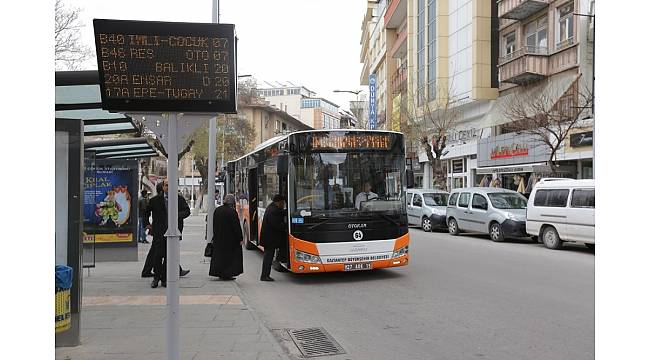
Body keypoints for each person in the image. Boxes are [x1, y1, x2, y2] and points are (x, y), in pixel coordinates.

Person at [143, 180, 191, 288]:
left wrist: (176, 215)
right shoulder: (155, 200)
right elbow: (146, 212)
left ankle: (164, 278)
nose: (168, 187)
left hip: (173, 233)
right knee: (157, 256)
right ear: (163, 187)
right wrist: (146, 224)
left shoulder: (179, 199)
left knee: (169, 257)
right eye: (166, 185)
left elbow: (187, 211)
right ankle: (156, 278)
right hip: (159, 233)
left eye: (171, 185)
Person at [208, 194, 244, 280]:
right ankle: (227, 274)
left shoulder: (217, 210)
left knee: (220, 257)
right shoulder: (232, 212)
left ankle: (220, 273)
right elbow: (236, 227)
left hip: (218, 238)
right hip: (230, 240)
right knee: (229, 259)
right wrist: (240, 238)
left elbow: (214, 224)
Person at [259, 194, 288, 281]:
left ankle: (279, 260)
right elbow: (278, 225)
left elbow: (280, 212)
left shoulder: (272, 208)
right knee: (268, 258)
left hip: (270, 239)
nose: (283, 205)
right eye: (283, 203)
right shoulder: (273, 211)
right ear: (278, 202)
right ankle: (264, 276)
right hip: (270, 240)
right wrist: (287, 225)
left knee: (282, 245)